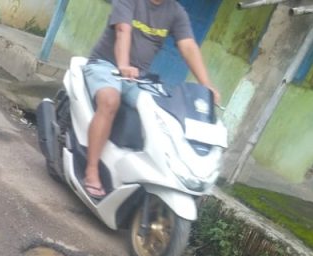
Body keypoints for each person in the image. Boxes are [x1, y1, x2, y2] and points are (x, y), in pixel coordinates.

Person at [82, 0, 220, 198]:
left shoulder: (175, 12)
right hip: (106, 65)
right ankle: (92, 169)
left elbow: (188, 46)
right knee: (110, 100)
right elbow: (123, 30)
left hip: (138, 77)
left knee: (159, 113)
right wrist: (123, 65)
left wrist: (206, 85)